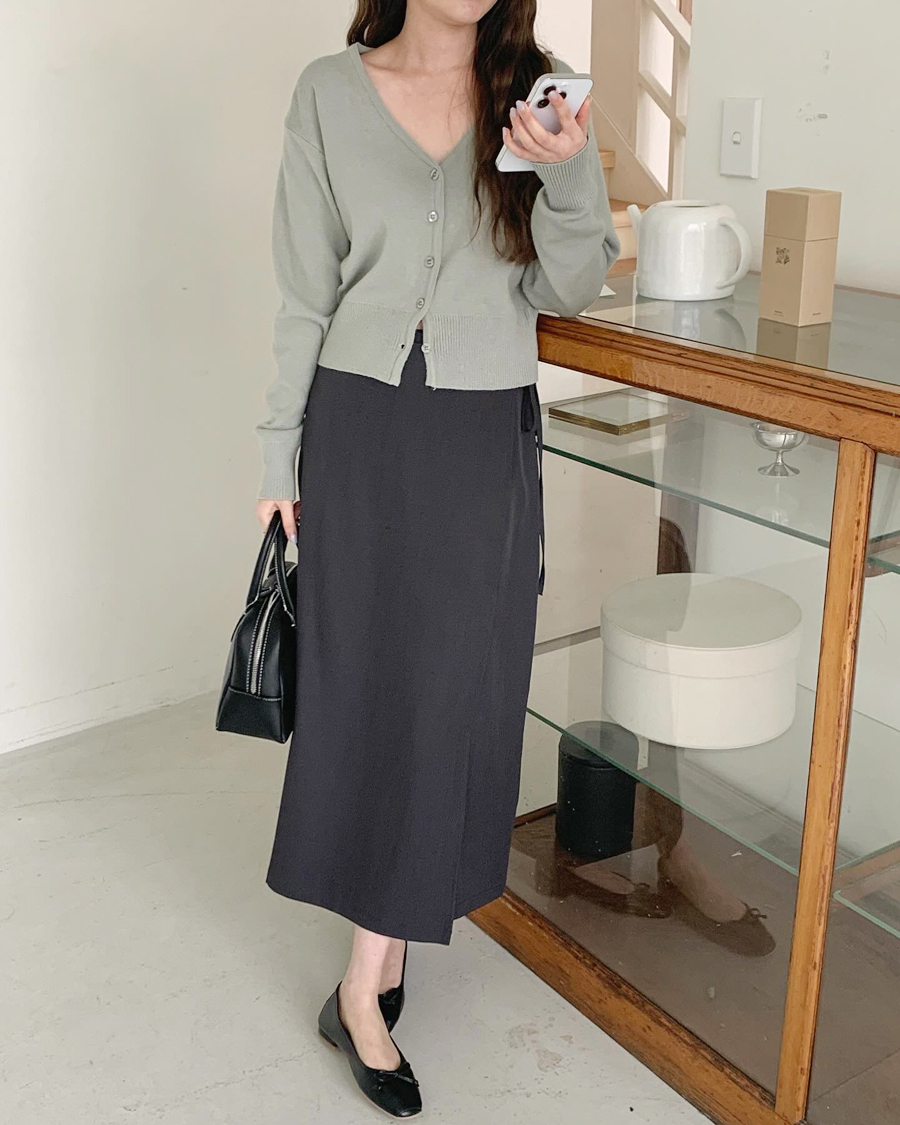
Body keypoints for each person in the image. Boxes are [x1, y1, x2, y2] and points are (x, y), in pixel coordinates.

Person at [252, 1, 619, 1116]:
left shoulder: (540, 94)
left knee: (449, 689)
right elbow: (306, 290)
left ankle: (363, 977)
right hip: (358, 427)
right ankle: (379, 958)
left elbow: (567, 288)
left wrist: (567, 171)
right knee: (365, 683)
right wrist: (278, 453)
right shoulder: (328, 92)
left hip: (476, 434)